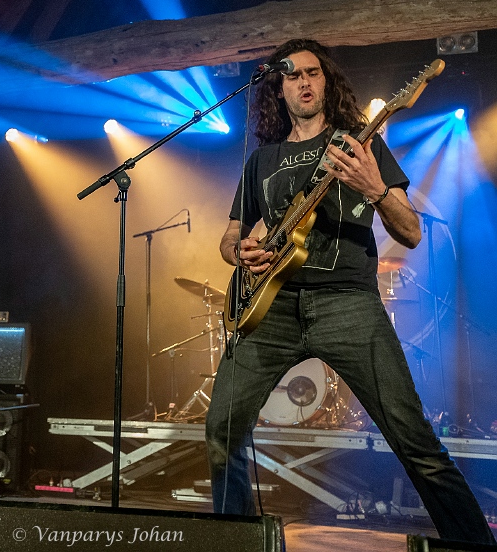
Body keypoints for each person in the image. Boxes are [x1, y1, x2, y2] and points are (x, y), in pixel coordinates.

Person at [206, 39, 495, 545]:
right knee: (221, 430)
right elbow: (232, 235)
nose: (304, 82)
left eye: (313, 72)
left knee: (414, 440)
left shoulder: (359, 144)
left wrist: (374, 188)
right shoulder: (262, 160)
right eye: (292, 75)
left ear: (327, 81)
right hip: (271, 308)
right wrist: (240, 253)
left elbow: (411, 232)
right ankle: (236, 541)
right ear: (278, 88)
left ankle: (473, 543)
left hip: (347, 303)